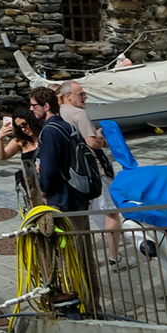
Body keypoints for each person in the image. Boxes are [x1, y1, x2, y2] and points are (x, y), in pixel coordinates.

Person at [58, 81, 125, 266]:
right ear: (68, 95)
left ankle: (82, 259)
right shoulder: (78, 113)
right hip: (94, 169)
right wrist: (103, 141)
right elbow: (91, 143)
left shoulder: (58, 114)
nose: (85, 96)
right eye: (81, 94)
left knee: (84, 213)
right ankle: (114, 258)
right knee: (111, 211)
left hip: (73, 173)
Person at [30, 88, 94, 213]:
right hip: (78, 194)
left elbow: (49, 166)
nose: (31, 109)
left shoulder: (49, 131)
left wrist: (43, 190)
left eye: (34, 105)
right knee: (82, 230)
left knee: (69, 232)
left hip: (63, 198)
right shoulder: (67, 125)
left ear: (46, 106)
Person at [0, 109, 42, 203]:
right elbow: (2, 156)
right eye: (19, 127)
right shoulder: (20, 142)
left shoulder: (46, 134)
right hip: (32, 184)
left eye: (24, 125)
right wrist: (0, 138)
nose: (23, 129)